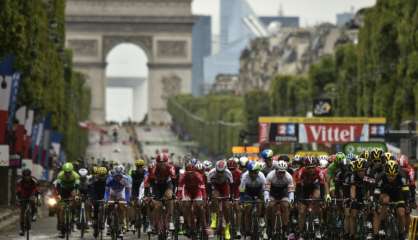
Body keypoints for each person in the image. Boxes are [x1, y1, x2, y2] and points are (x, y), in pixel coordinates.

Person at [373, 160, 409, 239]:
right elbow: (376, 192)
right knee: (386, 200)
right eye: (389, 175)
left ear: (397, 173)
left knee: (401, 213)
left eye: (393, 175)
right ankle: (382, 224)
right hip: (385, 192)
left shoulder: (402, 176)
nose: (391, 177)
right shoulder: (380, 177)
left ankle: (401, 233)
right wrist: (376, 203)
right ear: (385, 173)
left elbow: (406, 191)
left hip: (398, 193)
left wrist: (407, 204)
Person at [143, 153, 176, 232]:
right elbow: (148, 182)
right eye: (160, 163)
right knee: (155, 205)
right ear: (157, 162)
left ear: (166, 162)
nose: (162, 164)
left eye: (163, 162)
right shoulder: (153, 168)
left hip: (167, 184)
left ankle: (171, 221)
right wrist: (147, 194)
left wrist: (174, 192)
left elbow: (174, 179)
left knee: (169, 197)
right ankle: (152, 224)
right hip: (156, 185)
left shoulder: (170, 167)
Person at [265, 160, 295, 239]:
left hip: (283, 192)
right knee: (270, 206)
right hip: (273, 192)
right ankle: (269, 224)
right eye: (279, 172)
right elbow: (266, 190)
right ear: (276, 170)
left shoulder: (288, 176)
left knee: (285, 206)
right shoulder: (270, 175)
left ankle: (285, 228)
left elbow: (291, 191)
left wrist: (291, 199)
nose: (281, 174)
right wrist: (266, 199)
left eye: (283, 172)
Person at [177, 163, 208, 236]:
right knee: (186, 205)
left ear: (194, 171)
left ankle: (202, 225)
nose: (190, 174)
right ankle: (187, 225)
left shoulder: (198, 175)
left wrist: (204, 197)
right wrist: (179, 196)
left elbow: (202, 187)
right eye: (188, 172)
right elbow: (180, 186)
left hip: (197, 191)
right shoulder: (184, 175)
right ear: (186, 172)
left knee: (199, 206)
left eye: (191, 173)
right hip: (187, 191)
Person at [239, 161, 267, 238]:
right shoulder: (245, 176)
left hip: (259, 191)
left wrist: (265, 199)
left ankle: (261, 217)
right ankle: (247, 228)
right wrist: (241, 201)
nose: (253, 174)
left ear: (258, 171)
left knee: (262, 203)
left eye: (255, 172)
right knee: (247, 208)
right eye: (251, 172)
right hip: (248, 192)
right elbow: (242, 190)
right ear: (249, 171)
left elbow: (265, 190)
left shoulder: (261, 176)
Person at [208, 160, 234, 240]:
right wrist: (210, 196)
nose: (219, 174)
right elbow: (208, 186)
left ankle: (226, 229)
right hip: (216, 187)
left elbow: (232, 186)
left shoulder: (228, 173)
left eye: (221, 172)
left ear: (225, 169)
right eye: (218, 172)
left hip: (224, 187)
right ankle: (214, 219)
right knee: (214, 197)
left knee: (226, 207)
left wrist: (231, 197)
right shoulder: (211, 173)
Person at [54, 162, 80, 238]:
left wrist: (76, 195)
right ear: (64, 171)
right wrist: (58, 195)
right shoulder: (60, 175)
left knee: (75, 199)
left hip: (72, 189)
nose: (67, 174)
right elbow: (58, 187)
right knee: (61, 208)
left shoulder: (76, 176)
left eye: (69, 172)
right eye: (66, 172)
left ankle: (74, 216)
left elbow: (77, 187)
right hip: (63, 190)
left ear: (72, 171)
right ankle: (62, 227)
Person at [104, 165, 132, 237]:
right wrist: (106, 200)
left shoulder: (125, 179)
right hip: (112, 192)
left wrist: (127, 200)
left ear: (122, 175)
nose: (118, 178)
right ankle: (108, 224)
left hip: (121, 193)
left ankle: (121, 225)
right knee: (108, 206)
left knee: (122, 207)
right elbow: (106, 191)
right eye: (116, 176)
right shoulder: (110, 179)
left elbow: (127, 191)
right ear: (114, 175)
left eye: (120, 176)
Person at [16, 169, 40, 236]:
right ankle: (21, 228)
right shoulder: (20, 181)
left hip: (31, 194)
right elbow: (18, 190)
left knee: (32, 201)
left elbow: (37, 189)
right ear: (23, 176)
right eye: (25, 176)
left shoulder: (34, 180)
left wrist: (37, 196)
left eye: (28, 176)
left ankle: (34, 214)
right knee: (22, 212)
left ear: (30, 175)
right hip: (23, 195)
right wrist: (18, 198)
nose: (27, 177)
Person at [89, 167, 108, 238]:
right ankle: (95, 223)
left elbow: (109, 191)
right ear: (98, 175)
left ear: (106, 175)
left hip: (104, 199)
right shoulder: (94, 182)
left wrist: (106, 198)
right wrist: (94, 198)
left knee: (107, 209)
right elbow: (92, 191)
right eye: (101, 175)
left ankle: (104, 221)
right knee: (95, 210)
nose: (102, 177)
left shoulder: (107, 182)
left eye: (103, 175)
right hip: (96, 199)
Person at [227, 158, 242, 238]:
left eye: (233, 169)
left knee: (237, 208)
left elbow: (242, 186)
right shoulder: (225, 173)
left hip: (236, 190)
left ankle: (238, 229)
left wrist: (240, 198)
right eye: (230, 169)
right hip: (227, 189)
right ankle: (226, 225)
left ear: (236, 168)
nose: (231, 171)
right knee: (227, 206)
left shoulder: (239, 173)